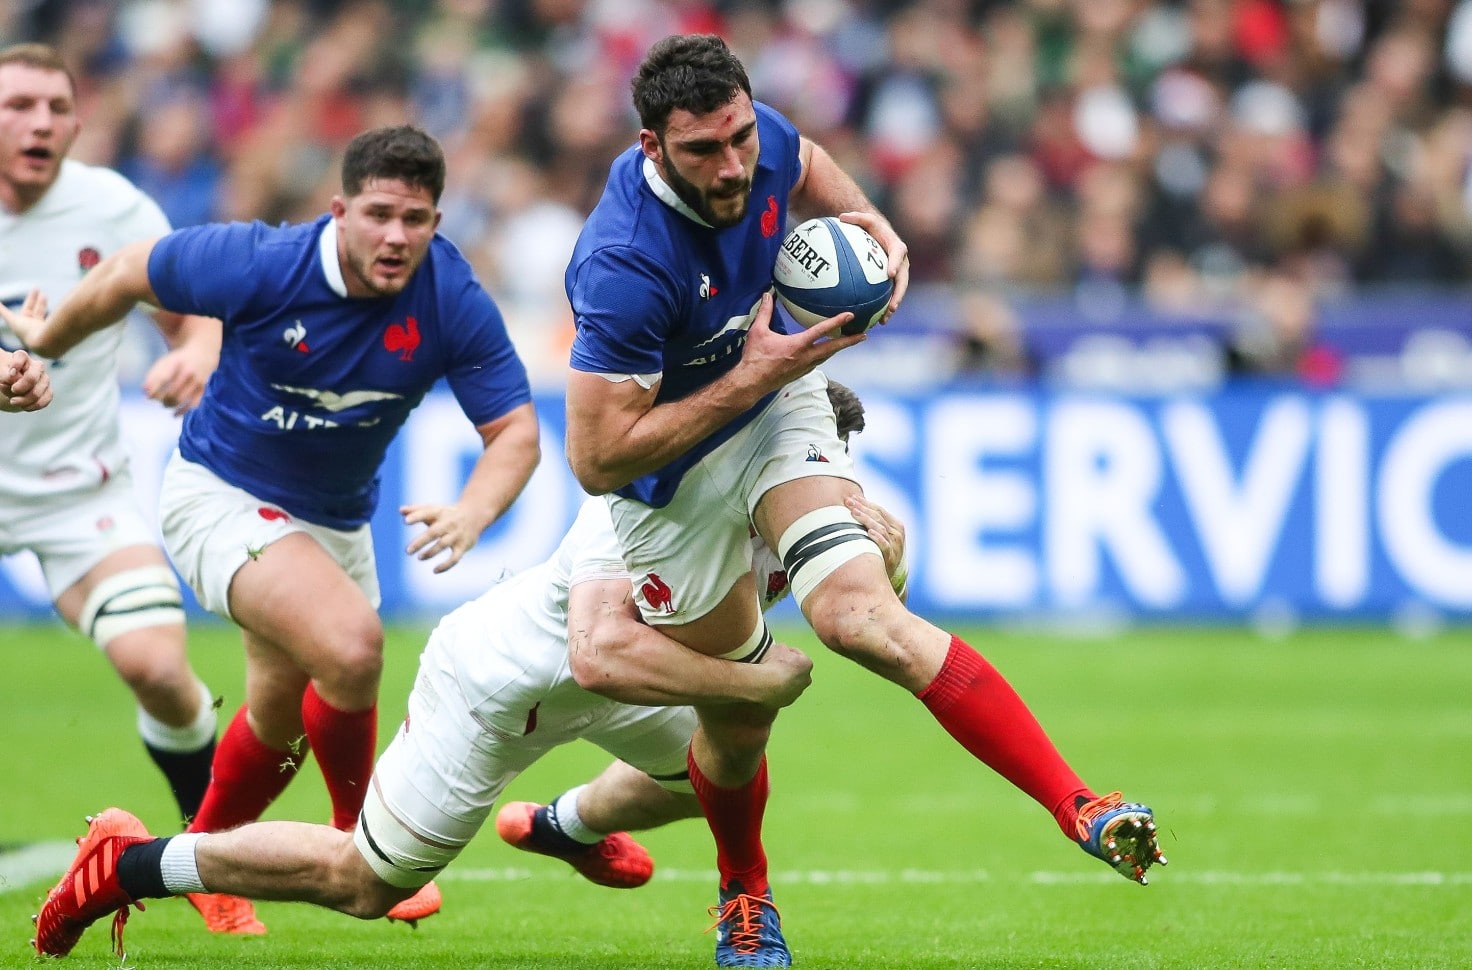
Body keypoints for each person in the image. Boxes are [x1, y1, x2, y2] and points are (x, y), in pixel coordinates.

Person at [562, 34, 1165, 966]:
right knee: (738, 715)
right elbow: (599, 459)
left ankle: (1078, 804)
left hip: (774, 397)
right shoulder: (623, 265)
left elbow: (805, 159)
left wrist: (875, 225)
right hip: (667, 474)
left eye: (737, 138)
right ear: (652, 148)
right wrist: (751, 372)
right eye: (702, 152)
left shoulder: (757, 135)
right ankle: (742, 885)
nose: (732, 166)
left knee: (857, 618)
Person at [28, 384, 907, 962]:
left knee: (713, 774)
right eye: (810, 457)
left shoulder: (808, 507)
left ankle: (562, 826)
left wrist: (883, 566)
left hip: (619, 687)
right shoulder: (655, 497)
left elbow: (843, 603)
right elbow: (602, 656)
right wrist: (758, 685)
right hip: (503, 687)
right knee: (365, 884)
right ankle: (129, 864)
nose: (819, 476)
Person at [5, 123, 540, 933]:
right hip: (218, 494)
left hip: (333, 522)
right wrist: (46, 339)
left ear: (438, 221)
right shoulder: (261, 261)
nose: (397, 236)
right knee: (354, 645)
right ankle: (361, 838)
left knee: (281, 716)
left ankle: (184, 859)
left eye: (417, 219)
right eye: (379, 214)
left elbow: (516, 434)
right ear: (338, 211)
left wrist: (475, 510)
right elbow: (123, 274)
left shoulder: (450, 296)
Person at [0, 44, 222, 834]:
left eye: (56, 109)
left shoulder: (114, 208)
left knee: (160, 668)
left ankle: (209, 844)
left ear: (77, 123)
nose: (40, 123)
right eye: (18, 105)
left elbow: (191, 312)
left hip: (75, 489)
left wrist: (194, 355)